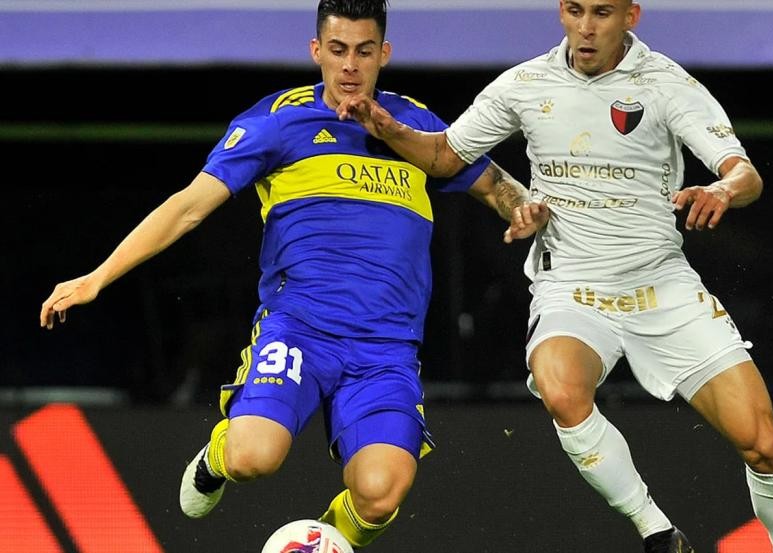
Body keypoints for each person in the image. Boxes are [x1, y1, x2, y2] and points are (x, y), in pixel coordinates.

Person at [38, 0, 544, 549]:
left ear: (384, 54)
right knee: (254, 457)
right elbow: (188, 207)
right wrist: (98, 276)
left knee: (381, 493)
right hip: (300, 330)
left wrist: (522, 207)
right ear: (316, 51)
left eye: (364, 51)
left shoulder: (414, 125)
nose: (349, 65)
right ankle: (216, 458)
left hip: (385, 349)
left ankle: (321, 541)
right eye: (338, 50)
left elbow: (496, 183)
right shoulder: (277, 121)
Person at [335, 1, 773, 552]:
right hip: (573, 288)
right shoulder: (525, 83)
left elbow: (744, 173)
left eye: (601, 13)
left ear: (631, 16)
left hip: (662, 287)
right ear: (561, 11)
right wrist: (390, 129)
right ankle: (657, 532)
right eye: (575, 10)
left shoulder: (666, 84)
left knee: (763, 445)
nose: (585, 28)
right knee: (560, 387)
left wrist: (722, 189)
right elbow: (445, 155)